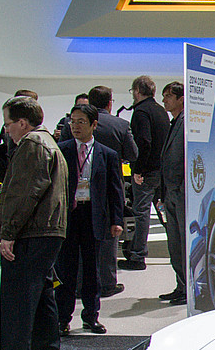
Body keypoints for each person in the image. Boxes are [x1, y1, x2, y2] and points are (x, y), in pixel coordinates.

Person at [0, 96, 69, 350]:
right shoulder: (48, 142)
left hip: (31, 234)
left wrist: (9, 232)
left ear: (22, 123)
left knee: (16, 307)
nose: (6, 130)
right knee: (41, 304)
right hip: (46, 233)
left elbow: (24, 193)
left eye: (8, 124)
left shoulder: (32, 145)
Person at [55, 104, 124, 334]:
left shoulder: (107, 154)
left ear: (94, 124)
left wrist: (117, 220)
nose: (75, 126)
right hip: (68, 216)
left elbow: (115, 190)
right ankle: (62, 318)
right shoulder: (61, 150)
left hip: (93, 216)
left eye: (81, 122)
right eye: (72, 121)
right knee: (66, 270)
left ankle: (91, 317)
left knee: (92, 270)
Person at [86, 85, 139, 297]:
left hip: (81, 187)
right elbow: (132, 154)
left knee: (81, 236)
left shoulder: (76, 124)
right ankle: (107, 283)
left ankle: (81, 282)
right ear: (110, 103)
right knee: (110, 234)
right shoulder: (120, 125)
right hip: (110, 185)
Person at [119, 75, 169, 271]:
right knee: (165, 213)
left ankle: (138, 256)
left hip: (147, 172)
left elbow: (144, 143)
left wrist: (138, 170)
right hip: (161, 171)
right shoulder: (160, 111)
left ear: (137, 91)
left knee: (141, 213)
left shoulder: (141, 112)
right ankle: (180, 251)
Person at [157, 82, 187, 305]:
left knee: (181, 243)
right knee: (175, 243)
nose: (164, 100)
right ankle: (181, 285)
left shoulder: (186, 123)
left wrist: (179, 189)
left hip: (180, 193)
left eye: (168, 96)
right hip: (171, 192)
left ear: (181, 99)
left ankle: (187, 288)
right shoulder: (175, 122)